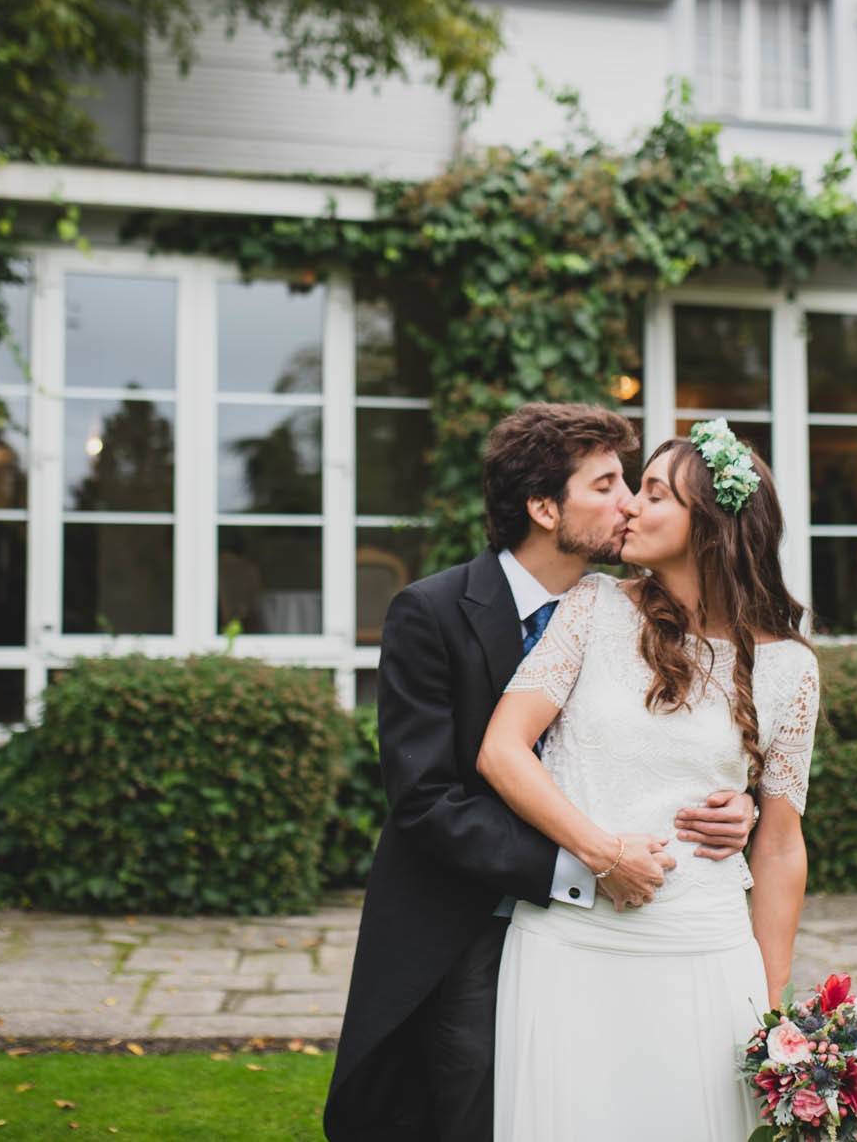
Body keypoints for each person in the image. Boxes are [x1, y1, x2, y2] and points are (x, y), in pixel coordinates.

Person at [324, 404, 758, 1142]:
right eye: (607, 485)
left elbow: (671, 745)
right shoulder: (431, 613)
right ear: (544, 508)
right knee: (477, 1114)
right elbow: (427, 800)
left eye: (633, 485)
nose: (630, 503)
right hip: (470, 922)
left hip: (619, 928)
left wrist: (736, 804)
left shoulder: (634, 613)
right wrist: (586, 864)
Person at [477, 419, 819, 1141]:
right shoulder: (592, 607)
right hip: (572, 946)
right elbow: (503, 751)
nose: (630, 504)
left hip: (705, 951)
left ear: (712, 527)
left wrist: (773, 1009)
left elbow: (782, 844)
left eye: (655, 493)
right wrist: (602, 853)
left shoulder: (791, 667)